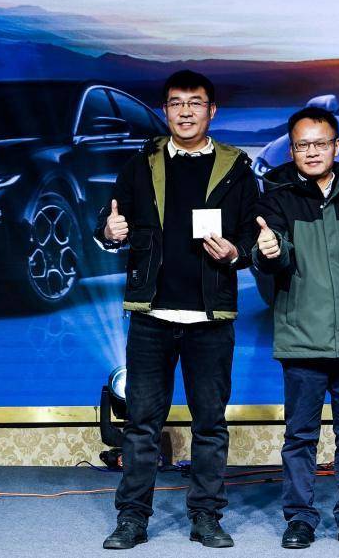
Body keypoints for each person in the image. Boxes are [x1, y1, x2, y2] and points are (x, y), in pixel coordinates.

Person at [94, 70, 259, 550]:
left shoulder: (236, 168)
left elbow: (253, 234)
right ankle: (132, 518)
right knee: (141, 425)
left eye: (195, 102)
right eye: (176, 103)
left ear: (212, 110)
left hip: (211, 318)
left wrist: (236, 252)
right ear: (165, 110)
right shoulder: (140, 163)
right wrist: (109, 232)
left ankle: (206, 516)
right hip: (151, 316)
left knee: (210, 424)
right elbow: (108, 221)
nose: (185, 111)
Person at [251, 106, 339, 550]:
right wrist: (269, 250)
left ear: (336, 146)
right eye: (302, 145)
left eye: (320, 143)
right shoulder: (276, 201)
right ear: (291, 150)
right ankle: (299, 518)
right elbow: (272, 259)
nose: (311, 152)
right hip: (302, 341)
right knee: (300, 437)